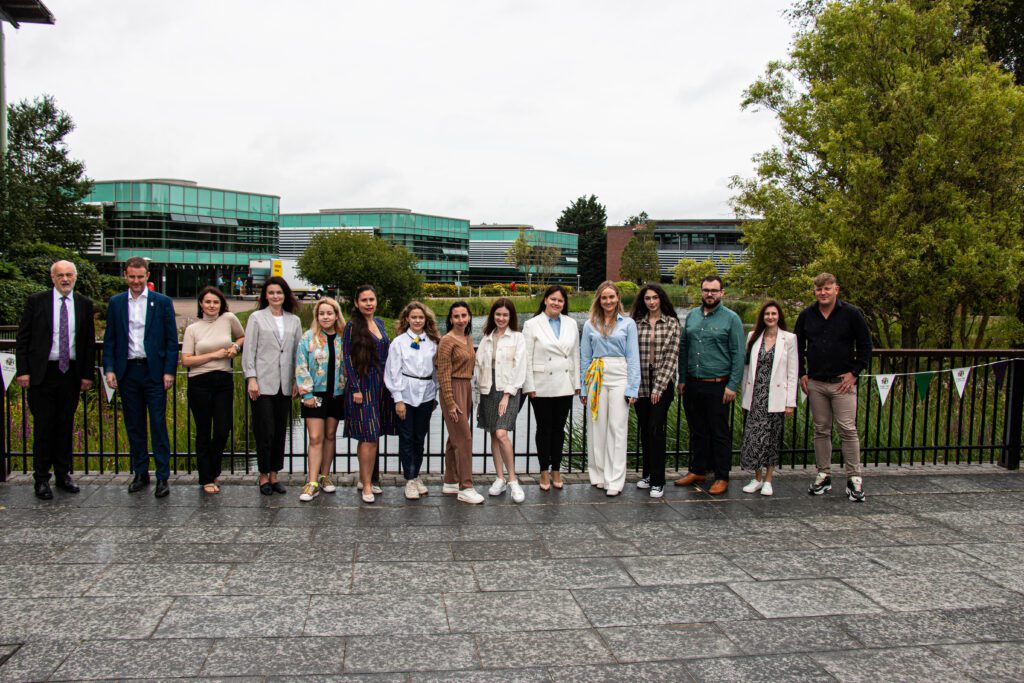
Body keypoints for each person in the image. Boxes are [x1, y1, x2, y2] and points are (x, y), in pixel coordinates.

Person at [15, 260, 96, 499]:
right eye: (60, 275)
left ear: (75, 277)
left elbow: (88, 342)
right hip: (42, 373)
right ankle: (41, 478)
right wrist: (23, 371)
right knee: (43, 427)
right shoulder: (37, 301)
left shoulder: (83, 304)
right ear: (52, 278)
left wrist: (86, 374)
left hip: (69, 373)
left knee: (64, 425)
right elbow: (23, 338)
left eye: (69, 275)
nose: (65, 279)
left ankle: (63, 474)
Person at [102, 257, 179, 498]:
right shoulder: (116, 303)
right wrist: (110, 369)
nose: (136, 281)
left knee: (157, 425)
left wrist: (169, 371)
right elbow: (110, 339)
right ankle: (140, 473)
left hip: (153, 371)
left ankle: (163, 477)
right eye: (132, 276)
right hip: (128, 372)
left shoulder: (162, 302)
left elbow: (170, 340)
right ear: (125, 275)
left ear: (147, 276)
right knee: (134, 425)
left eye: (140, 276)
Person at [795, 273, 872, 502]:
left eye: (827, 289)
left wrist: (855, 372)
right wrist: (802, 374)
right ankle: (823, 474)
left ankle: (854, 478)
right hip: (816, 383)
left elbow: (866, 345)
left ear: (836, 289)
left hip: (842, 383)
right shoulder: (807, 315)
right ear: (815, 291)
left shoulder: (852, 314)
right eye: (819, 290)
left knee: (847, 430)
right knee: (821, 429)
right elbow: (797, 347)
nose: (823, 293)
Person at [674, 275, 745, 495]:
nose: (709, 294)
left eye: (714, 290)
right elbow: (684, 348)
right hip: (693, 383)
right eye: (706, 290)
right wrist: (682, 378)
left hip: (718, 384)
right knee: (697, 431)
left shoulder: (731, 319)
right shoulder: (693, 316)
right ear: (701, 291)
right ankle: (698, 470)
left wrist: (733, 385)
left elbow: (738, 353)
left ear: (722, 292)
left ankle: (722, 476)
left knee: (719, 432)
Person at [241, 276, 302, 495]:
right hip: (263, 383)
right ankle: (263, 475)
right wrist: (251, 378)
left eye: (279, 292)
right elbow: (250, 350)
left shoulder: (293, 320)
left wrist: (297, 380)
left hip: (285, 383)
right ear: (265, 295)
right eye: (271, 293)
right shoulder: (256, 318)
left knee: (279, 431)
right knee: (264, 430)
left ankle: (275, 474)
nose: (275, 296)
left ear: (285, 295)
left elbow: (297, 352)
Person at [181, 287, 244, 494]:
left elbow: (242, 337)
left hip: (223, 380)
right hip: (199, 381)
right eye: (207, 302)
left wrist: (235, 347)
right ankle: (206, 478)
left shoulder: (228, 318)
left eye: (215, 302)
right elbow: (186, 360)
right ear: (201, 304)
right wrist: (214, 355)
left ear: (221, 304)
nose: (211, 305)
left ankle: (214, 471)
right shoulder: (193, 329)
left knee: (222, 429)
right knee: (203, 430)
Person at [580, 281, 640, 497]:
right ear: (599, 299)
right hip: (596, 375)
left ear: (618, 299)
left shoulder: (628, 324)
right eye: (604, 297)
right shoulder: (589, 324)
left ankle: (614, 479)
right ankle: (598, 475)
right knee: (597, 426)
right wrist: (584, 388)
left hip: (619, 375)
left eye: (611, 297)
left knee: (617, 427)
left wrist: (633, 388)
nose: (608, 301)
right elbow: (585, 357)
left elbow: (633, 357)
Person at [523, 285, 579, 491]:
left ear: (564, 304)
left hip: (564, 384)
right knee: (544, 429)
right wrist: (529, 385)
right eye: (553, 299)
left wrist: (577, 383)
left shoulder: (571, 323)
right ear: (545, 300)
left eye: (561, 300)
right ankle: (543, 470)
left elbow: (575, 354)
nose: (556, 303)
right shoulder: (531, 324)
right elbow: (526, 358)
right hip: (541, 385)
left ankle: (556, 468)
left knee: (559, 429)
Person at [343, 285, 396, 504]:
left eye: (371, 299)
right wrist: (355, 388)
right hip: (363, 385)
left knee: (374, 434)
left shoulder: (381, 323)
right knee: (368, 435)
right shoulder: (352, 326)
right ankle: (366, 484)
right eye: (364, 300)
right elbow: (346, 357)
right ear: (356, 303)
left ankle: (369, 478)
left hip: (381, 385)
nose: (368, 303)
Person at [739, 300, 798, 497]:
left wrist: (790, 402)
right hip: (756, 396)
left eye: (773, 314)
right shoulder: (753, 337)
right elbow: (747, 368)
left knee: (772, 440)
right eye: (767, 314)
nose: (770, 317)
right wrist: (744, 395)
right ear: (762, 317)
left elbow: (792, 371)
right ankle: (756, 478)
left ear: (779, 316)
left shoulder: (789, 339)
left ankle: (769, 480)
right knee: (754, 439)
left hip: (775, 397)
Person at [384, 301, 440, 500]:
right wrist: (398, 399)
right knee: (406, 438)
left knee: (419, 438)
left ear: (426, 320)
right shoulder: (398, 343)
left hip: (426, 394)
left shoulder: (433, 342)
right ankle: (409, 479)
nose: (417, 320)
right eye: (414, 317)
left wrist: (435, 395)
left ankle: (416, 476)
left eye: (421, 317)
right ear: (407, 319)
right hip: (405, 395)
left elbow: (436, 372)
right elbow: (393, 371)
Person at [630, 283, 681, 499]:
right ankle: (648, 474)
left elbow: (671, 357)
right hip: (641, 382)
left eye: (655, 298)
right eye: (647, 298)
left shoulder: (672, 324)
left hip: (663, 382)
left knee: (655, 428)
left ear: (661, 299)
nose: (651, 302)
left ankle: (659, 481)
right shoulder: (636, 323)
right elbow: (630, 354)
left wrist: (659, 387)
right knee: (644, 428)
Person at [475, 298, 528, 503]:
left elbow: (520, 367)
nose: (501, 318)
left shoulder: (517, 338)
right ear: (493, 316)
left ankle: (513, 481)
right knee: (493, 435)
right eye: (498, 314)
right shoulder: (487, 337)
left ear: (511, 317)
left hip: (509, 389)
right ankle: (499, 478)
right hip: (488, 389)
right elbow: (479, 369)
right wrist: (479, 398)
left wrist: (507, 394)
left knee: (501, 432)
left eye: (505, 315)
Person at [295, 298, 346, 502]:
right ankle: (312, 481)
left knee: (330, 435)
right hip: (315, 395)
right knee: (316, 437)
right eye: (322, 313)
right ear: (317, 316)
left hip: (336, 394)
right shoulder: (308, 338)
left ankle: (325, 476)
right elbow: (301, 366)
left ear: (336, 315)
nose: (325, 317)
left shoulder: (343, 338)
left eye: (329, 313)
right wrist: (306, 393)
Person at [436, 301, 483, 504]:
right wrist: (450, 402)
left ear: (469, 317)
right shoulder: (447, 341)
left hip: (466, 388)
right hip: (453, 389)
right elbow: (443, 374)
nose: (461, 319)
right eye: (456, 316)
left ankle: (450, 480)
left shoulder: (467, 338)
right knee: (464, 438)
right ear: (450, 319)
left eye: (464, 315)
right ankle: (466, 486)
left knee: (454, 437)